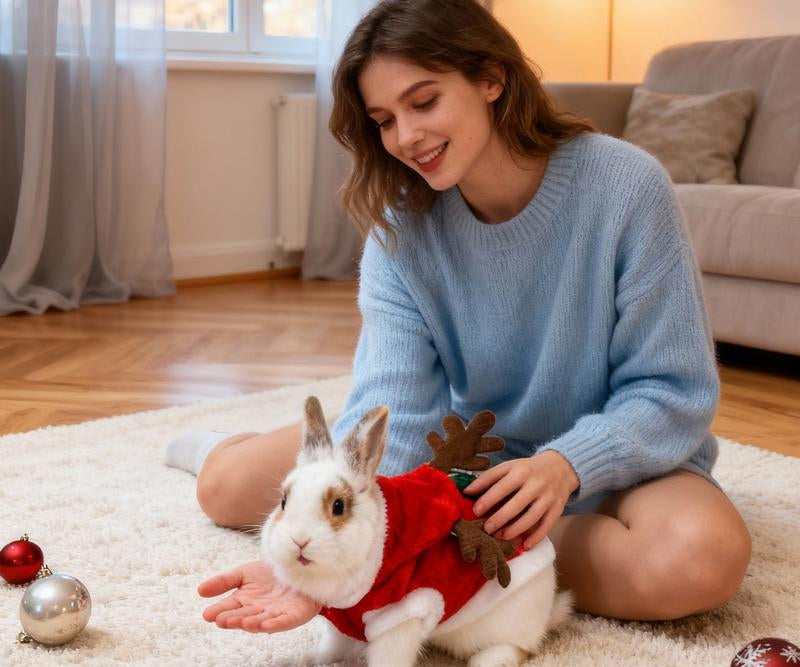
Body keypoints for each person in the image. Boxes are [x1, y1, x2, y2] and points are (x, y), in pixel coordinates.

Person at [168, 0, 751, 635]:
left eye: (423, 102)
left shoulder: (626, 187)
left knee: (698, 559)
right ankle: (478, 545)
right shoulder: (400, 226)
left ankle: (473, 546)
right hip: (462, 457)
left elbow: (673, 390)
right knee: (224, 489)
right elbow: (397, 407)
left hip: (612, 460)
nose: (405, 137)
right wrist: (350, 557)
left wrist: (565, 465)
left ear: (490, 78)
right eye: (384, 120)